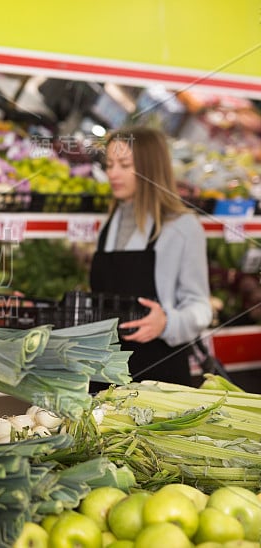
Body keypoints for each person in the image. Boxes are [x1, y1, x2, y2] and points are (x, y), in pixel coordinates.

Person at [90, 126, 212, 386]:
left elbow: (201, 308)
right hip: (105, 373)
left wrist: (167, 322)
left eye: (124, 164)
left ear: (150, 168)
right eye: (110, 164)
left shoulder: (182, 227)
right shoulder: (108, 225)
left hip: (160, 376)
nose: (113, 173)